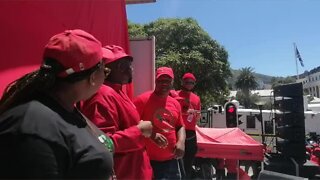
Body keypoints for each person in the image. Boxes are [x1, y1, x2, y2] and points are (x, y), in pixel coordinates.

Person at [0, 29, 113, 179]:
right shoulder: (32, 129)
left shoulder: (66, 109)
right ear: (92, 77)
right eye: (105, 70)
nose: (105, 76)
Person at [80, 45, 153, 180]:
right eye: (128, 65)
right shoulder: (103, 94)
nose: (132, 68)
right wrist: (139, 131)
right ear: (119, 67)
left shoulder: (118, 91)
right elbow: (102, 142)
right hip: (124, 174)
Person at [134, 66, 186, 180]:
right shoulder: (142, 100)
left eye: (167, 81)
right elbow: (132, 124)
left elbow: (180, 126)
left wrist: (181, 142)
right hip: (147, 162)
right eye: (160, 81)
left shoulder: (175, 104)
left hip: (171, 161)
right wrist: (152, 135)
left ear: (172, 82)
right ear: (155, 81)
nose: (164, 84)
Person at [175, 72, 201, 179]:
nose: (189, 84)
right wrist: (185, 113)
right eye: (187, 82)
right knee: (176, 161)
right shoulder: (175, 95)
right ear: (182, 82)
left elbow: (198, 116)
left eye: (192, 82)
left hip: (190, 132)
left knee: (188, 162)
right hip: (177, 130)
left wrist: (195, 115)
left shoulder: (196, 98)